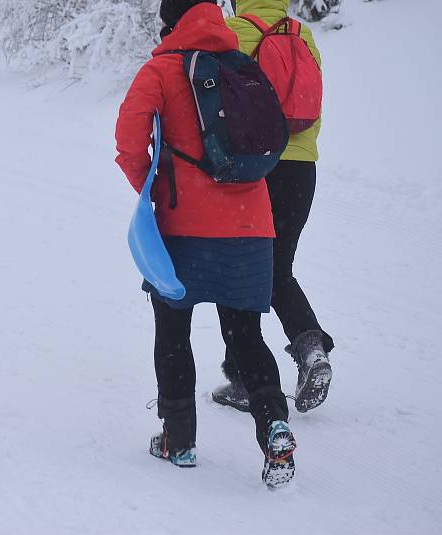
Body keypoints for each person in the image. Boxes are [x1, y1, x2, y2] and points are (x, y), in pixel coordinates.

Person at [115, 0, 296, 487]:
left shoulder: (161, 69)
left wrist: (153, 191)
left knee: (173, 333)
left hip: (184, 231)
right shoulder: (244, 65)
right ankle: (275, 427)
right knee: (247, 337)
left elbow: (129, 141)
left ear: (169, 21)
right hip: (252, 229)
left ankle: (179, 441)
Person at [212, 0, 334, 415]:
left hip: (256, 166)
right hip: (303, 168)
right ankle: (310, 346)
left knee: (238, 268)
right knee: (279, 267)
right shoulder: (303, 34)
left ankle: (246, 379)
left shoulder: (234, 31)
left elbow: (218, 105)